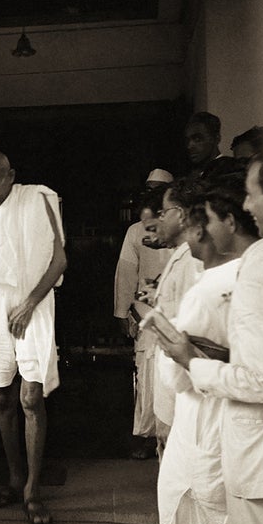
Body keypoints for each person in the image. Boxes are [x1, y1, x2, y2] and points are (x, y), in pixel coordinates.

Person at [153, 155, 263, 524]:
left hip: (241, 442)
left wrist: (190, 359)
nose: (199, 232)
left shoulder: (256, 269)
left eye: (205, 220)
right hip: (239, 438)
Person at [145, 178, 243, 524]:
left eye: (166, 211)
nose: (158, 219)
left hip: (202, 413)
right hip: (200, 410)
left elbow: (183, 368)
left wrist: (179, 353)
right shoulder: (200, 265)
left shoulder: (210, 279)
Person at [0, 151, 66, 524]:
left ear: (11, 175)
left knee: (31, 396)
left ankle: (32, 490)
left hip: (34, 302)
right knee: (1, 395)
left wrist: (29, 303)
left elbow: (59, 260)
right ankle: (14, 480)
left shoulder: (39, 197)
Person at [149, 178, 204, 524]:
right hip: (170, 386)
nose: (157, 219)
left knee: (178, 489)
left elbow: (187, 332)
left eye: (164, 211)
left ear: (182, 215)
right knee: (169, 484)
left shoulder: (193, 260)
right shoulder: (178, 256)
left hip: (181, 389)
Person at [114, 175, 174, 459]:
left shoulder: (179, 231)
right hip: (146, 314)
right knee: (146, 377)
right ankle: (149, 437)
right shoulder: (135, 231)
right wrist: (124, 312)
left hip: (175, 318)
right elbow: (126, 275)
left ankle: (168, 440)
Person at [184, 112, 223, 180]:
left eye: (197, 139)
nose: (189, 146)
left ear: (216, 138)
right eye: (187, 140)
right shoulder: (194, 175)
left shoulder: (228, 172)